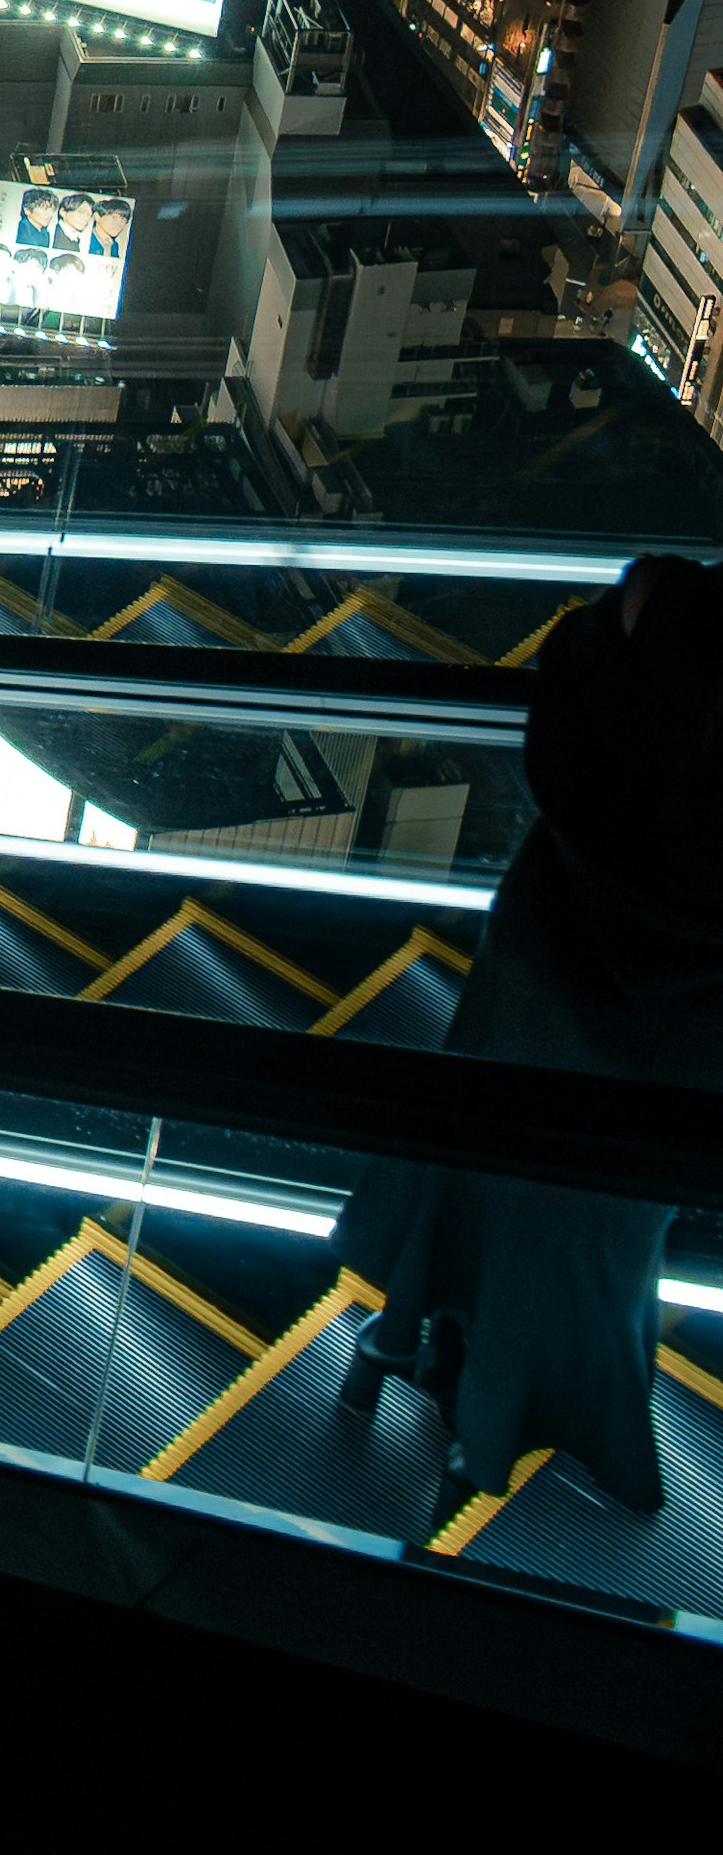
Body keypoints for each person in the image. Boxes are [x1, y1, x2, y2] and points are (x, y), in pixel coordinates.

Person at [334, 551, 723, 1529]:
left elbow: (564, 707)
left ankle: (403, 1343)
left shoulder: (666, 604)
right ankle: (495, 1429)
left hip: (553, 938)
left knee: (476, 1153)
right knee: (594, 1230)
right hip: (688, 1024)